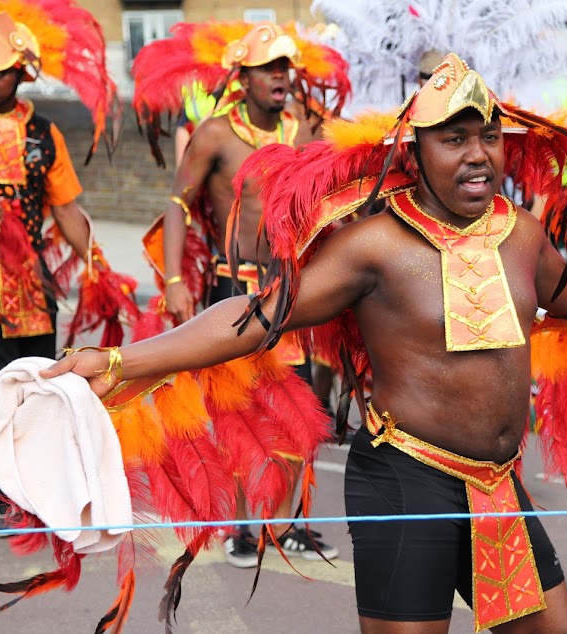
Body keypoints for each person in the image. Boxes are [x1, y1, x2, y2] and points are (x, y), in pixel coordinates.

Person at [46, 52, 567, 634]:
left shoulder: (520, 233)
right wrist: (118, 359)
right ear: (414, 152)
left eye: (489, 136)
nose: (479, 153)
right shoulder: (374, 246)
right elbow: (254, 319)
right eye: (454, 139)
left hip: (496, 486)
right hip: (406, 478)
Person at [131, 20, 344, 567]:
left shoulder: (312, 130)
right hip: (237, 292)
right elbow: (178, 205)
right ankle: (242, 528)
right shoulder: (215, 134)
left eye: (285, 67)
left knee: (301, 408)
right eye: (267, 68)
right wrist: (176, 282)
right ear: (242, 77)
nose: (280, 76)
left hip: (298, 291)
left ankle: (288, 524)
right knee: (239, 414)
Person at [0, 7, 127, 535]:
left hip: (30, 285)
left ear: (23, 72)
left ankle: (33, 493)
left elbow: (66, 210)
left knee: (38, 390)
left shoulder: (45, 133)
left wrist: (100, 268)